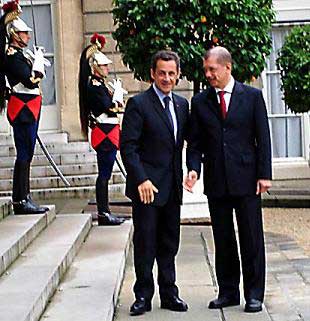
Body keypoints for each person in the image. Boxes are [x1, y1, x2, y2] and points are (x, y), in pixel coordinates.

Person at [185, 46, 272, 313]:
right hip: (217, 181)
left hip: (247, 180)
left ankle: (254, 293)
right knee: (222, 239)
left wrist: (264, 175)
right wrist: (193, 169)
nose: (208, 75)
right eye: (206, 70)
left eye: (212, 69)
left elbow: (263, 138)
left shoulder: (253, 97)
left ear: (227, 68)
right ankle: (228, 291)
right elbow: (195, 143)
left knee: (251, 238)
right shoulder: (200, 102)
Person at [120, 50, 189, 316]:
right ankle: (143, 295)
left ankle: (169, 293)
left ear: (178, 75)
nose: (167, 78)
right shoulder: (138, 104)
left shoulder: (182, 105)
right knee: (146, 242)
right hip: (146, 189)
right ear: (152, 73)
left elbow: (186, 142)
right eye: (162, 73)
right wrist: (141, 179)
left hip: (172, 187)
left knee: (170, 242)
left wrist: (192, 169)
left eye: (172, 73)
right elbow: (128, 147)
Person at [0, 1, 50, 214]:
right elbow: (29, 80)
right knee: (23, 153)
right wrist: (38, 68)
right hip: (23, 109)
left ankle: (24, 196)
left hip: (29, 108)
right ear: (14, 35)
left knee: (27, 153)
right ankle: (21, 199)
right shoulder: (12, 55)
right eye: (23, 33)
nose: (28, 36)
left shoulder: (21, 54)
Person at [78, 33, 125, 226]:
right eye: (104, 66)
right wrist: (117, 97)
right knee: (104, 174)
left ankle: (105, 211)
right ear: (95, 68)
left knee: (105, 173)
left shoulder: (100, 85)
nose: (107, 68)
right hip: (104, 134)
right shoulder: (95, 87)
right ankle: (103, 212)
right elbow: (109, 107)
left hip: (108, 132)